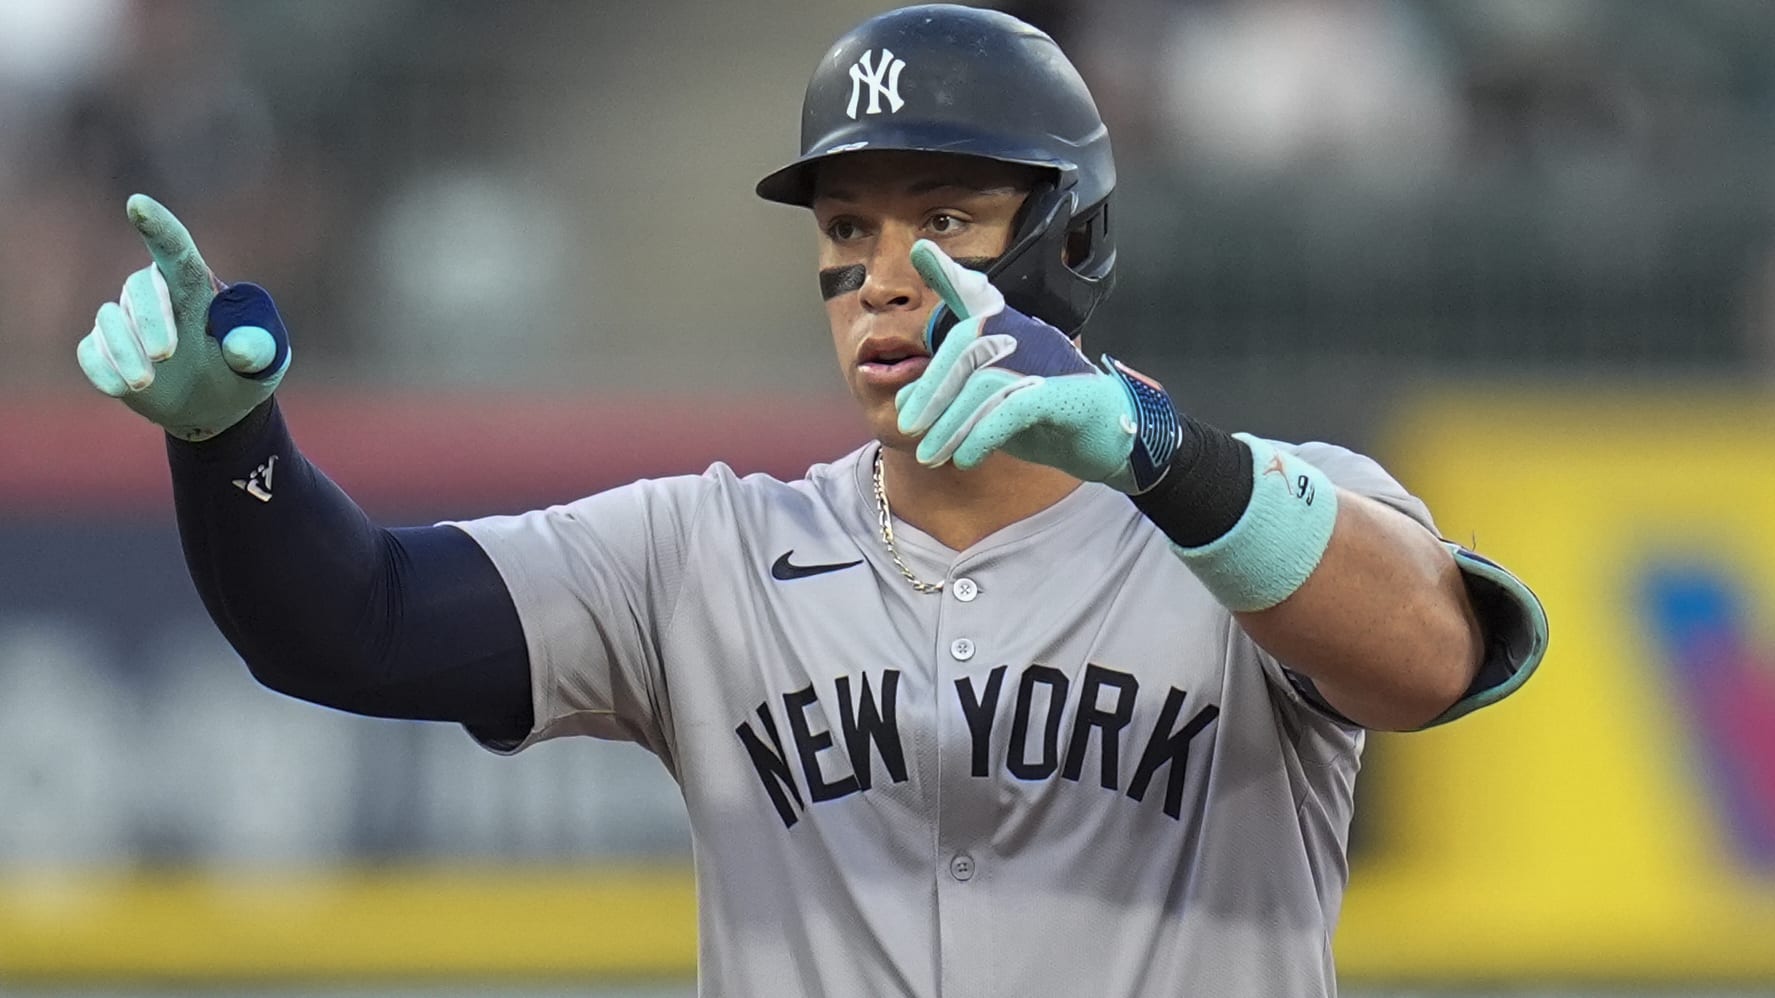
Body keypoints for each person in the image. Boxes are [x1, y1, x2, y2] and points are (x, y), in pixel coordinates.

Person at [74, 5, 1546, 995]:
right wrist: (231, 444)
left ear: (1071, 242)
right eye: (850, 224)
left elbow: (1434, 658)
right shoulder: (704, 555)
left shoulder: (1256, 517)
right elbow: (357, 620)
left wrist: (1161, 453)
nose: (885, 276)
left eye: (946, 217)